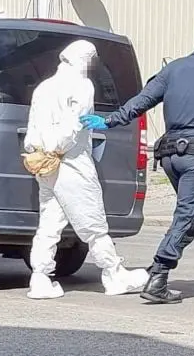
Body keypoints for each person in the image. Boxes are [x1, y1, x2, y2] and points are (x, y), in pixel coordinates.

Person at [81, 17, 194, 303]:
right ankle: (159, 274)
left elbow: (141, 101)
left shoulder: (173, 69)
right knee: (190, 213)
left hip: (169, 158)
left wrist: (108, 120)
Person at [22, 39, 150, 299]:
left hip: (45, 164)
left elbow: (33, 126)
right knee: (93, 222)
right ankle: (113, 273)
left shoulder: (44, 88)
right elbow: (73, 126)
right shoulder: (81, 86)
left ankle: (40, 277)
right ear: (86, 60)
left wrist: (40, 150)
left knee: (49, 223)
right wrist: (57, 148)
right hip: (71, 161)